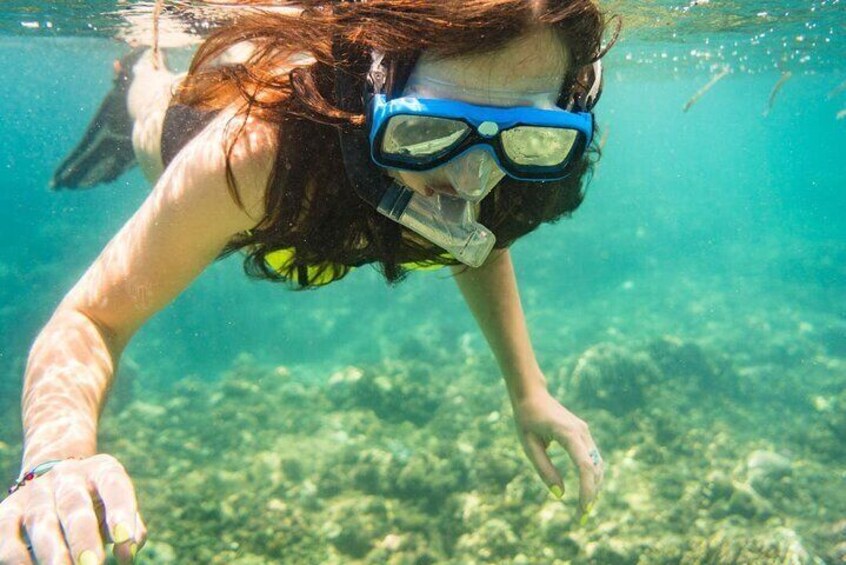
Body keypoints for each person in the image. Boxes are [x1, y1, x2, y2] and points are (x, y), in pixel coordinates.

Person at [0, 1, 615, 563]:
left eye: (526, 136)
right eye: (428, 131)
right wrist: (56, 460)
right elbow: (90, 318)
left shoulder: (521, 171)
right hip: (203, 152)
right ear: (376, 89)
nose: (473, 181)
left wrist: (527, 390)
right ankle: (139, 76)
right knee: (151, 120)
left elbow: (475, 243)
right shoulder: (256, 155)